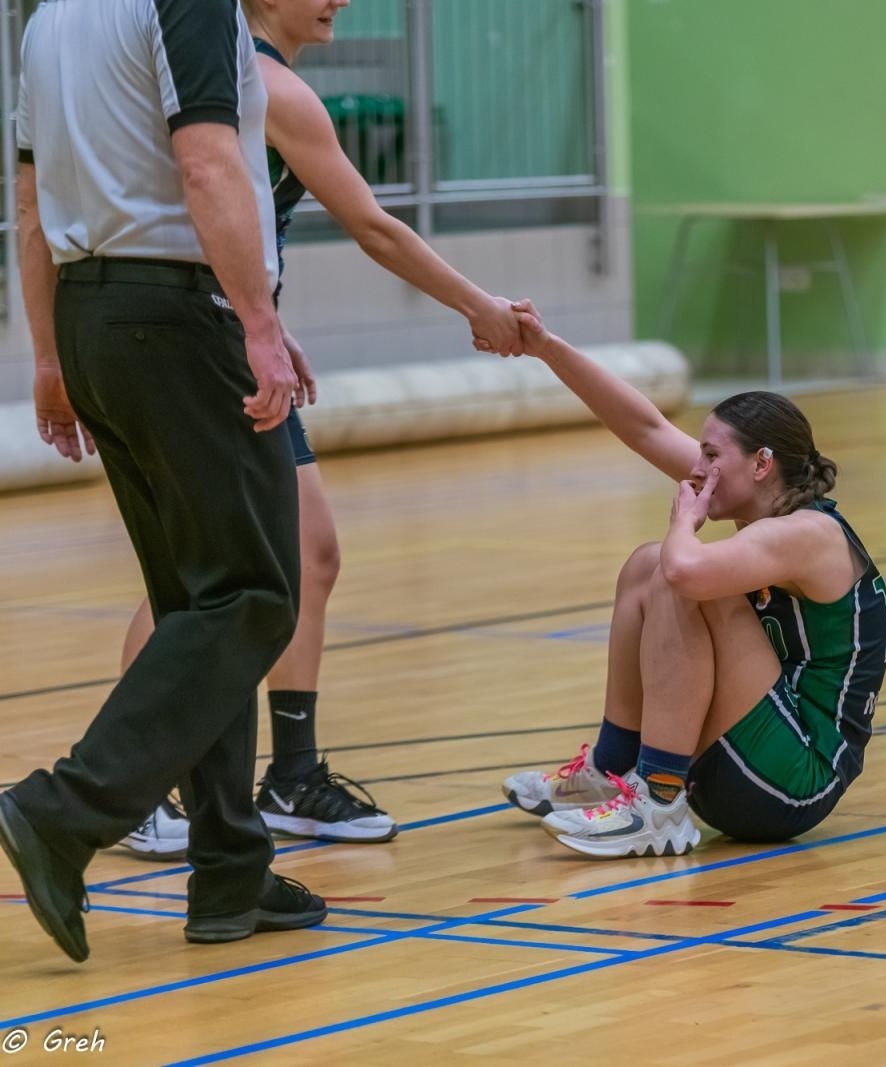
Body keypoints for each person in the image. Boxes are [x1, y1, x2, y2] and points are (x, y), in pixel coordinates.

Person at [116, 0, 527, 859]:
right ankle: (137, 783)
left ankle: (291, 775)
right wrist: (478, 306)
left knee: (306, 552)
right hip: (213, 354)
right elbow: (375, 225)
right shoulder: (270, 90)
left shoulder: (219, 80)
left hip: (225, 340)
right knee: (198, 576)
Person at [3, 0, 330, 959]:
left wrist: (50, 356)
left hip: (94, 318)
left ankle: (229, 871)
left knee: (199, 599)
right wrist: (257, 323)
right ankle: (62, 808)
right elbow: (205, 159)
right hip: (176, 319)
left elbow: (28, 201)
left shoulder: (47, 18)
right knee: (257, 595)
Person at [496, 315, 886, 859]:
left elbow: (685, 572)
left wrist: (685, 521)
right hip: (750, 756)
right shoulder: (757, 501)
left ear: (761, 464)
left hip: (795, 781)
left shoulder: (807, 535)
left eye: (711, 455)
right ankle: (615, 769)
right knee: (646, 565)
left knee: (678, 573)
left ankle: (656, 804)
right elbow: (645, 429)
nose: (698, 468)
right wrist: (546, 348)